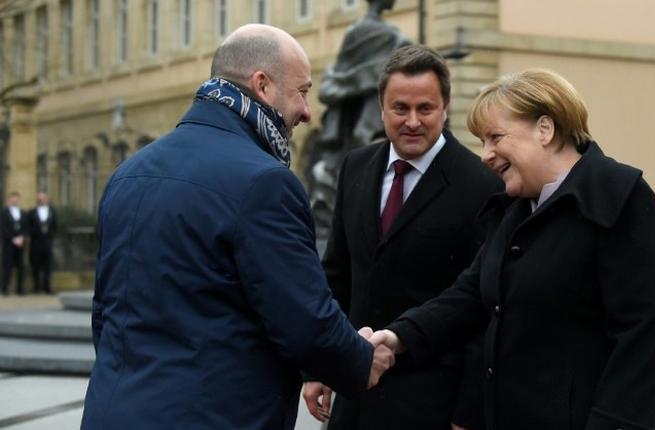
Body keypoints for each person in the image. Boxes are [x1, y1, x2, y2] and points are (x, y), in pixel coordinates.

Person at [80, 24, 394, 430]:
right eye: (302, 91)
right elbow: (304, 322)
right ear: (262, 85)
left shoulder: (128, 174)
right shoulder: (265, 182)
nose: (308, 111)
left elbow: (105, 314)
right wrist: (363, 359)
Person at [369, 69, 655, 430]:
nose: (485, 155)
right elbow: (467, 298)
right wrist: (397, 338)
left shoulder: (621, 198)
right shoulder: (514, 210)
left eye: (495, 137)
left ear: (545, 129)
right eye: (482, 141)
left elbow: (641, 341)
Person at [302, 45, 501, 430]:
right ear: (382, 108)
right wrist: (318, 366)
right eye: (400, 108)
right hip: (355, 399)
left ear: (445, 107)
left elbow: (483, 305)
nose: (412, 121)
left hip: (432, 406)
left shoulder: (482, 185)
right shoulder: (356, 166)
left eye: (425, 109)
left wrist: (468, 412)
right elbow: (336, 277)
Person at [307, 0, 410, 233]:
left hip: (369, 108)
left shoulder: (359, 32)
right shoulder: (383, 34)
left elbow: (342, 72)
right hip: (369, 109)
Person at [28, 192, 57, 294]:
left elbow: (55, 226)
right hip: (35, 243)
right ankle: (36, 287)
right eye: (39, 199)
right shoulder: (31, 212)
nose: (41, 200)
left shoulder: (52, 211)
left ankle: (47, 287)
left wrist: (51, 237)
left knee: (48, 266)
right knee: (35, 266)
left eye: (43, 198)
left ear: (46, 199)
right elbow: (28, 228)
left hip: (48, 243)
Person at [1, 191, 26, 296]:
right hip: (8, 244)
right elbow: (3, 227)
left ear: (19, 199)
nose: (14, 200)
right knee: (7, 266)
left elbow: (26, 227)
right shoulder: (3, 212)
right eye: (12, 198)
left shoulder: (23, 213)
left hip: (20, 243)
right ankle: (4, 288)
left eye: (16, 198)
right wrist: (12, 239)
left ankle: (20, 289)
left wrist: (21, 238)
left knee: (21, 266)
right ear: (9, 199)